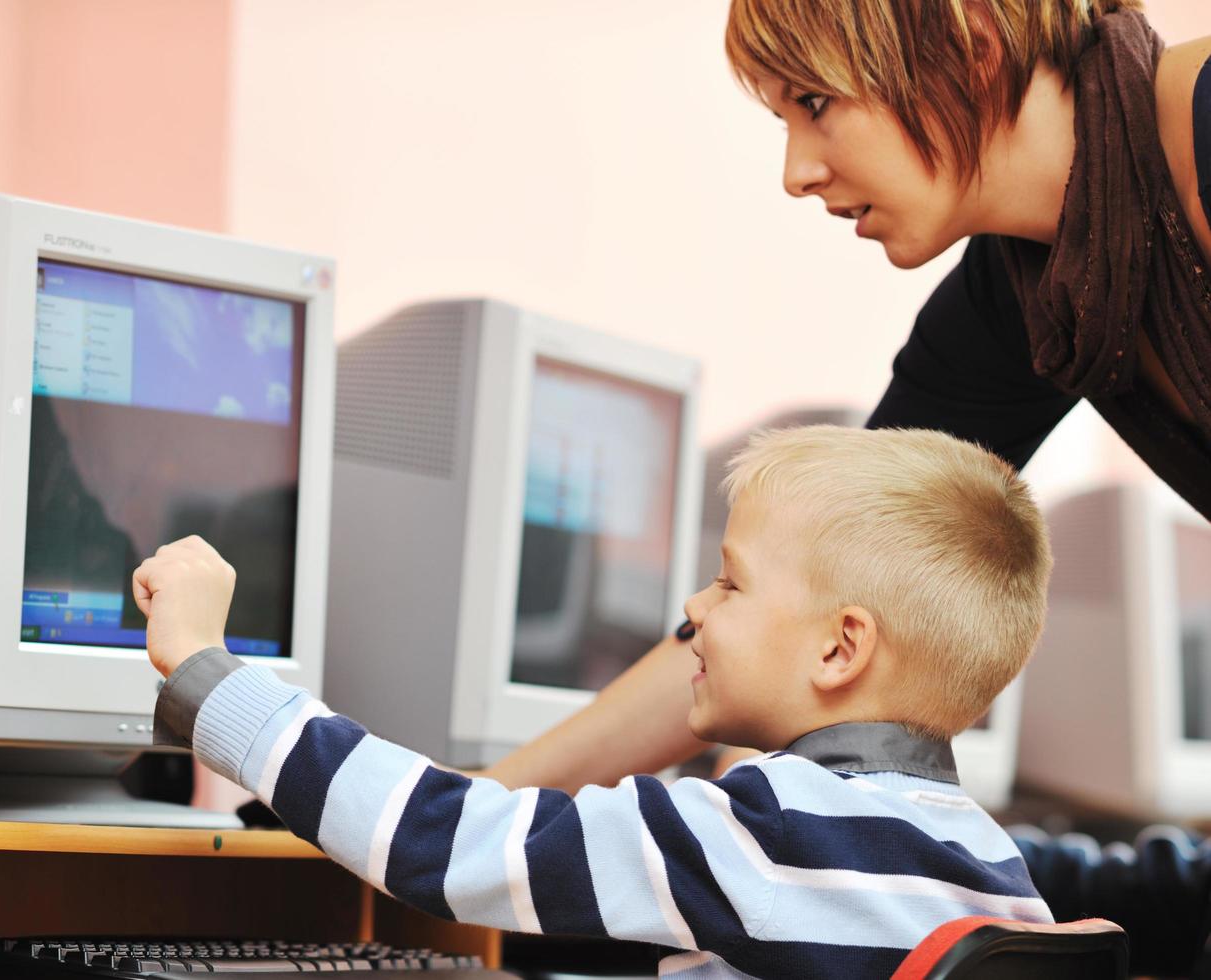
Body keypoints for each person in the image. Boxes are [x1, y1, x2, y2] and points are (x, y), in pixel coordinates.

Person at [479, 0, 1211, 796]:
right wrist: (477, 805)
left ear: (973, 43)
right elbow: (832, 564)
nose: (796, 173)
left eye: (815, 104)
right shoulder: (1020, 300)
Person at [137, 425, 1054, 978]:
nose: (692, 613)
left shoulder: (766, 830)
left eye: (730, 586)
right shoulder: (994, 864)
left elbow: (453, 845)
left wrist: (212, 677)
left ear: (839, 647)